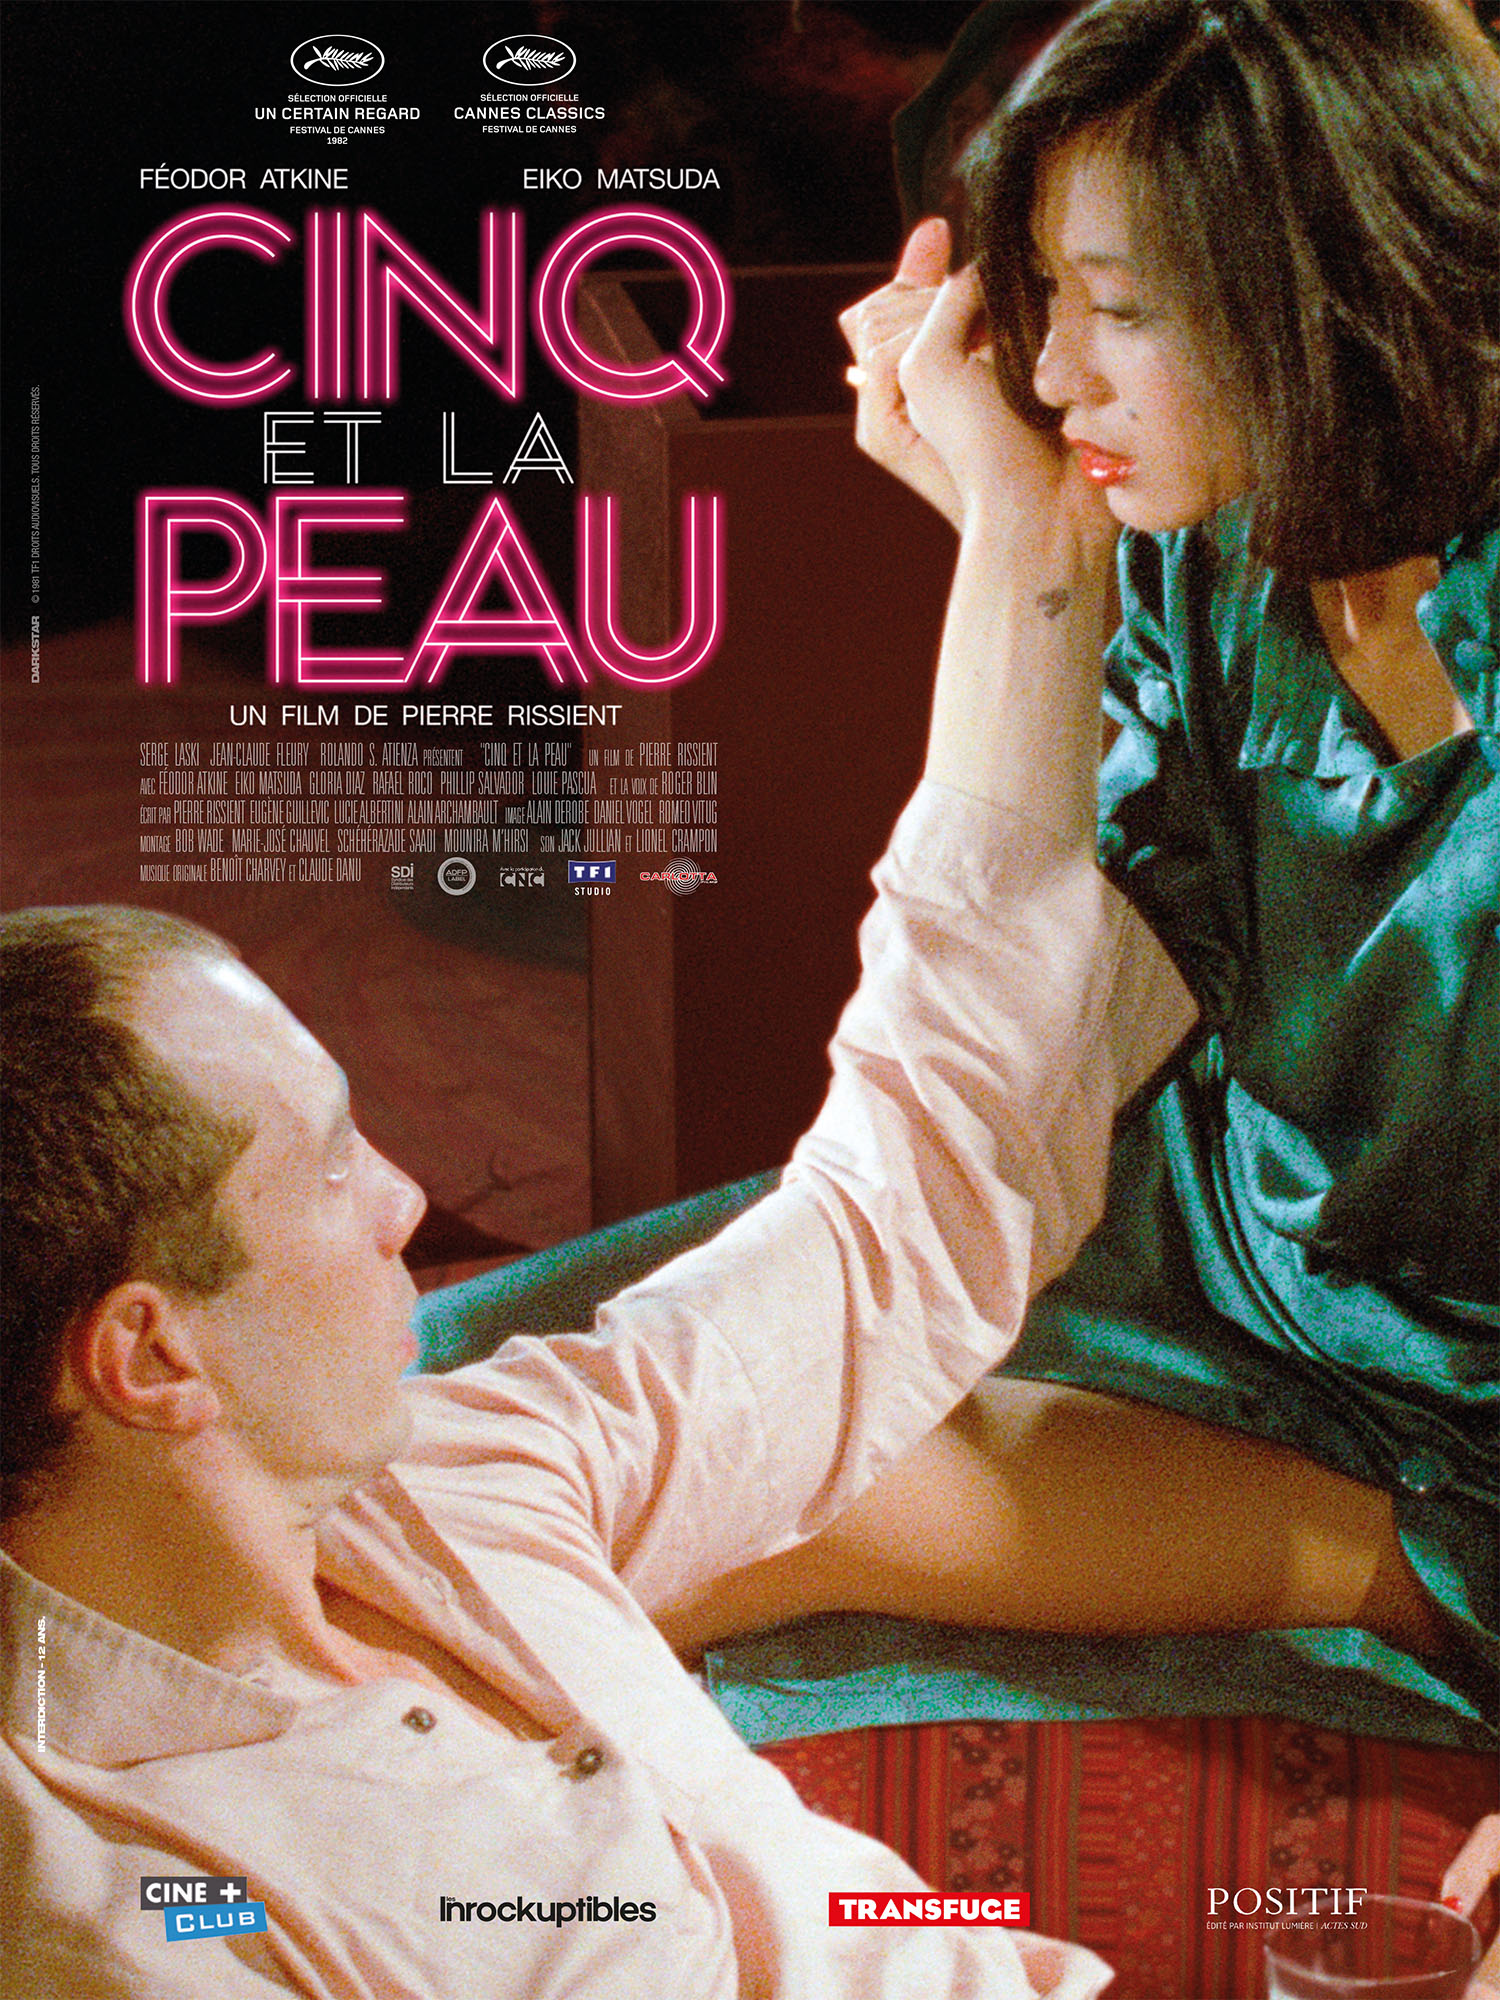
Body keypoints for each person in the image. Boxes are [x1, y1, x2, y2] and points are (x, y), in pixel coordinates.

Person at [0, 481, 1193, 1990]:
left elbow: (890, 1228)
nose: (407, 1203)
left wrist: (1031, 541)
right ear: (153, 1357)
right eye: (330, 1164)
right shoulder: (129, 1913)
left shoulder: (459, 1466)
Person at [647, 0, 1499, 1986]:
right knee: (459, 1455)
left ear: (1342, 287)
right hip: (1191, 1280)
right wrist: (1026, 548)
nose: (1046, 373)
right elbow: (984, 1073)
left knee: (644, 1498)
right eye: (1043, 295)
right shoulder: (1222, 546)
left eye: (1120, 308)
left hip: (1432, 1428)